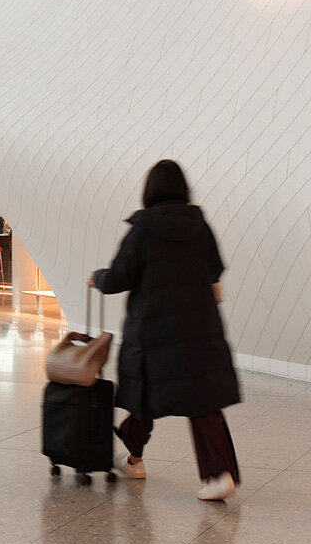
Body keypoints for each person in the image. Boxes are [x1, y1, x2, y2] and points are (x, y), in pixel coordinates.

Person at [89, 159, 241, 501]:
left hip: (153, 334)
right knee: (203, 402)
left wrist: (97, 278)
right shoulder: (200, 225)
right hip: (199, 329)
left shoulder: (142, 229)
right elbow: (215, 269)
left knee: (144, 397)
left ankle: (142, 461)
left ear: (150, 191)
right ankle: (214, 474)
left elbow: (118, 278)